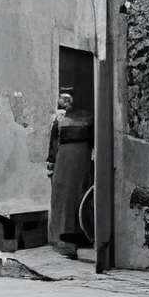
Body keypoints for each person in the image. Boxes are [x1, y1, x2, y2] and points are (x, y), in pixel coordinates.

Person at [47, 86, 93, 258]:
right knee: (62, 197)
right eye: (62, 98)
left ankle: (81, 235)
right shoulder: (58, 119)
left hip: (82, 161)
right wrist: (51, 164)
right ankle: (61, 238)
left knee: (79, 196)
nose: (65, 102)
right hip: (63, 161)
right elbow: (53, 143)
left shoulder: (88, 118)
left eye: (68, 98)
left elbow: (95, 140)